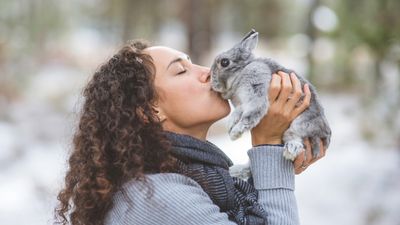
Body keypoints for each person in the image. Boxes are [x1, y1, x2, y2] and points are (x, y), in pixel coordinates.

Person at [55, 40, 326, 225]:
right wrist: (268, 147)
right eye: (181, 71)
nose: (208, 73)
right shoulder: (158, 198)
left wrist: (277, 150)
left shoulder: (187, 177)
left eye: (194, 63)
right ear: (149, 110)